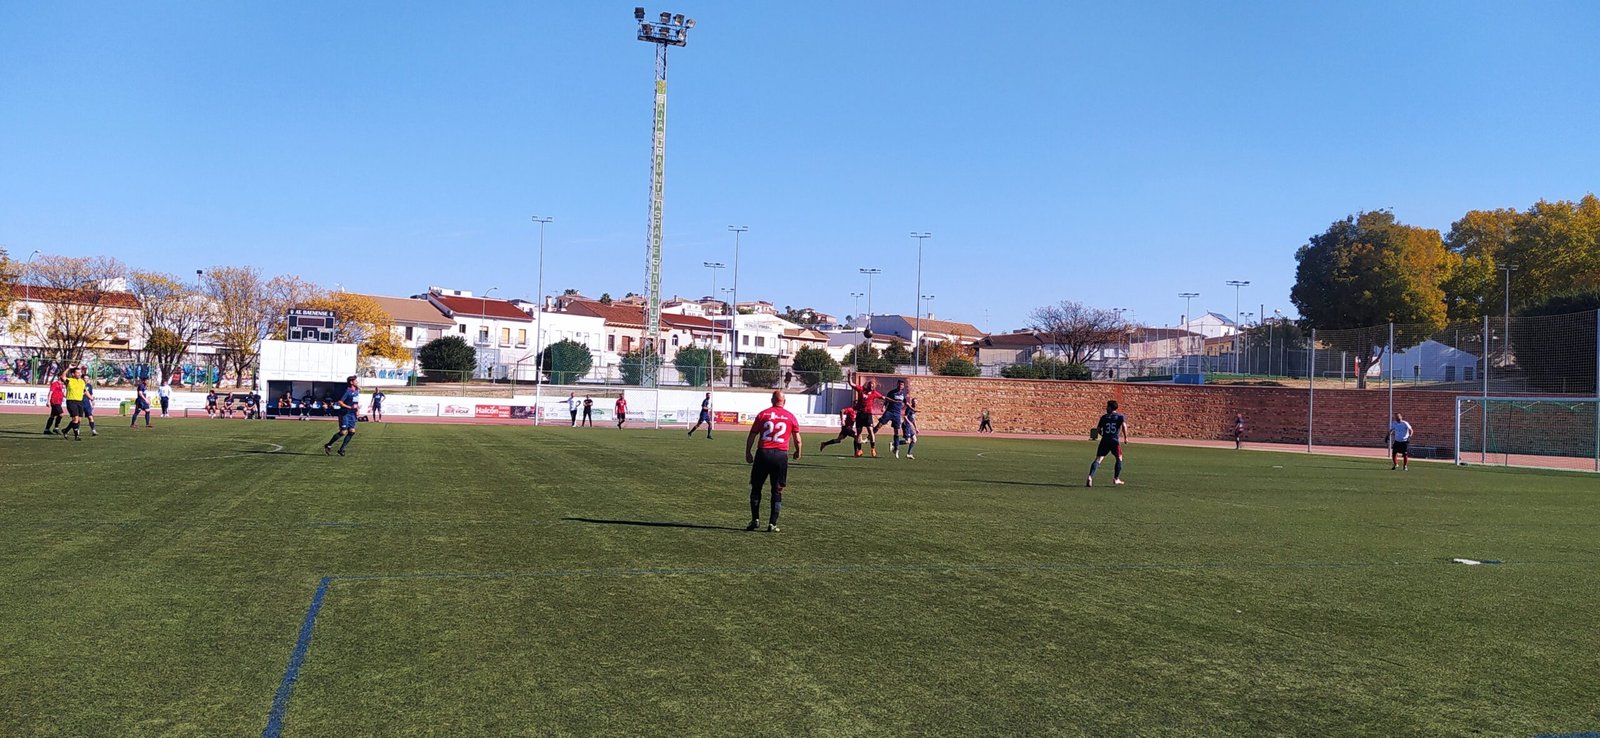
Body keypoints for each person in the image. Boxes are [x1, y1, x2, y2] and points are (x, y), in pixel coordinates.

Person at [745, 390, 802, 533]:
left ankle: (755, 519)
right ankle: (772, 523)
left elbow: (752, 435)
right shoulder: (790, 417)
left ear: (772, 400)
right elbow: (798, 440)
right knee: (777, 490)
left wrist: (748, 452)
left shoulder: (763, 414)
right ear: (785, 401)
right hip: (781, 456)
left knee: (756, 487)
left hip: (763, 453)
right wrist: (797, 452)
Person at [1086, 399, 1129, 487]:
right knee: (1119, 458)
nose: (1106, 408)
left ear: (1110, 407)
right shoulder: (1120, 417)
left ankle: (1090, 476)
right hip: (1114, 441)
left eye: (1107, 406)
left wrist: (1103, 435)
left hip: (1104, 440)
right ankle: (1116, 479)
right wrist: (1125, 438)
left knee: (1098, 459)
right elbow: (1124, 426)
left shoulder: (1104, 417)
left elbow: (1098, 430)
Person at [323, 375, 361, 456]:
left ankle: (342, 449)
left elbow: (356, 402)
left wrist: (357, 409)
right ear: (351, 382)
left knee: (352, 431)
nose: (357, 382)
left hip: (352, 414)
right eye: (356, 381)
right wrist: (349, 407)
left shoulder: (357, 390)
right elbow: (340, 402)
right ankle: (328, 445)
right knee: (343, 432)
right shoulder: (347, 391)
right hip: (345, 413)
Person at [847, 373, 883, 457]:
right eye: (870, 385)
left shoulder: (875, 393)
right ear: (868, 385)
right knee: (859, 433)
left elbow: (883, 398)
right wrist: (849, 377)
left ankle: (873, 449)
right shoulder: (861, 389)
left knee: (871, 431)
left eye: (873, 386)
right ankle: (859, 450)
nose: (871, 387)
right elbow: (851, 384)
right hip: (860, 414)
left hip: (868, 414)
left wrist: (885, 404)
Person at [874, 378, 911, 457]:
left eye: (901, 385)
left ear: (903, 386)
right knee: (880, 424)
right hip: (889, 412)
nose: (900, 386)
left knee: (897, 431)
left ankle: (896, 448)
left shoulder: (903, 394)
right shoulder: (891, 392)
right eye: (899, 384)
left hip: (897, 414)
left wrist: (912, 408)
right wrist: (883, 407)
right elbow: (886, 400)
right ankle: (869, 437)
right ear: (897, 384)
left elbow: (905, 403)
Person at [62, 366, 88, 441]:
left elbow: (84, 391)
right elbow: (63, 376)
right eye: (78, 373)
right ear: (73, 374)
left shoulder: (82, 381)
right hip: (71, 401)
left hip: (80, 402)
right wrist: (68, 368)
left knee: (78, 420)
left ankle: (65, 430)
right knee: (75, 418)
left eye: (80, 372)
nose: (79, 374)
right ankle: (77, 436)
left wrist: (91, 398)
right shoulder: (69, 380)